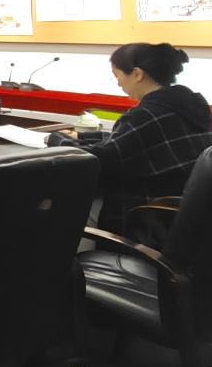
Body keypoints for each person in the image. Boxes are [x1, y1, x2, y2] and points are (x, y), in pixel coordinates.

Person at [47, 43, 212, 232]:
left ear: (137, 74)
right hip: (183, 211)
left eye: (117, 76)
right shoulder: (187, 106)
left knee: (66, 207)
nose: (118, 83)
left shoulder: (146, 114)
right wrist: (84, 136)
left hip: (145, 216)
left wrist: (56, 140)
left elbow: (99, 160)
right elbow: (141, 139)